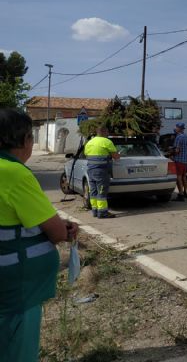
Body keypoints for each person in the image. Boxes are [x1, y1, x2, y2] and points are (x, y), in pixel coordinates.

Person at [0, 108, 79, 362]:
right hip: (16, 288)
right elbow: (56, 232)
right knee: (16, 351)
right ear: (25, 141)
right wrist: (64, 228)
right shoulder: (14, 173)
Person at [83, 126, 121, 218]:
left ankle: (95, 211)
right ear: (104, 132)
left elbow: (86, 154)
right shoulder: (106, 142)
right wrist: (118, 155)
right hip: (101, 171)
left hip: (90, 170)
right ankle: (102, 213)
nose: (108, 134)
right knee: (101, 193)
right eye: (107, 132)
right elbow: (116, 157)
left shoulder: (89, 142)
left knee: (93, 192)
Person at [172, 122, 187, 200]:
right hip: (185, 160)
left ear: (179, 128)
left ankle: (180, 194)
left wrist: (171, 153)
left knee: (178, 177)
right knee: (184, 176)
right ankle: (185, 192)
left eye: (176, 127)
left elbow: (177, 150)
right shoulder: (186, 137)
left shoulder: (178, 137)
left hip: (179, 160)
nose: (175, 128)